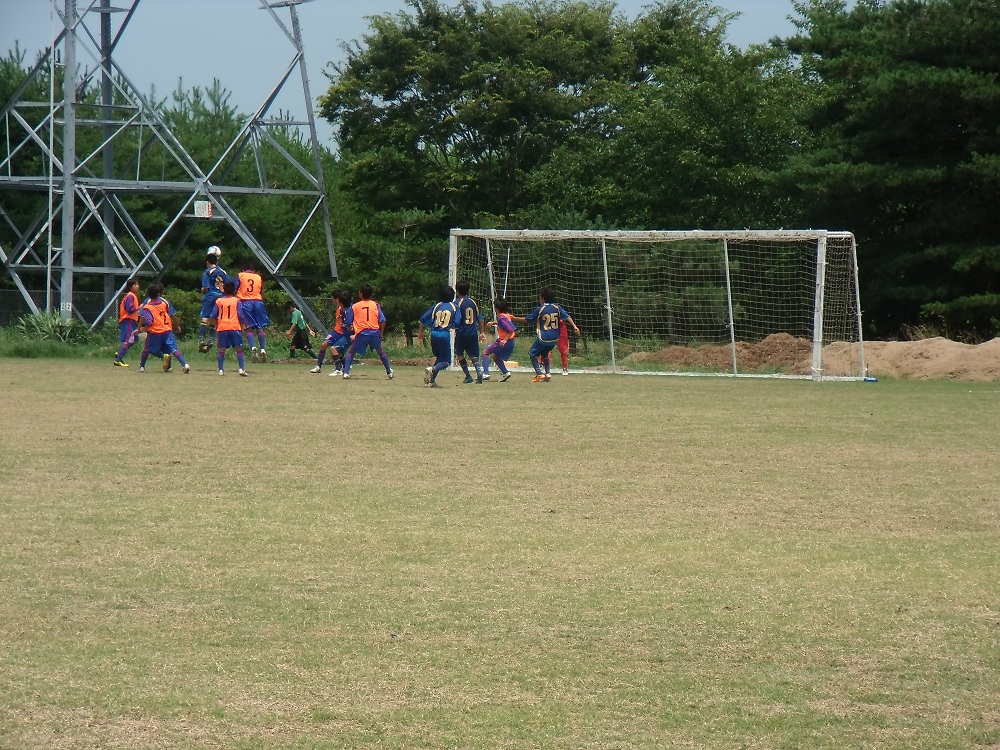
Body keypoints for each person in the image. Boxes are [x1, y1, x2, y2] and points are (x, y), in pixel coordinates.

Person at [516, 287, 580, 382]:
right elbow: (567, 317)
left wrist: (513, 318)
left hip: (544, 338)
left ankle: (539, 374)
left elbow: (527, 319)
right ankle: (548, 374)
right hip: (555, 339)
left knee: (532, 354)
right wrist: (575, 326)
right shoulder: (557, 307)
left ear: (543, 298)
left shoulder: (540, 309)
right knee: (545, 353)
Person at [341, 284, 394, 380]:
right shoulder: (375, 305)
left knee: (351, 352)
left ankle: (346, 373)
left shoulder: (355, 306)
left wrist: (351, 329)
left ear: (361, 294)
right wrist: (381, 333)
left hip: (361, 333)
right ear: (371, 294)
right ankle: (389, 372)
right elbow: (382, 320)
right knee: (380, 351)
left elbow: (348, 322)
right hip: (374, 332)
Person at [137, 283, 190, 374]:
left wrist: (142, 329)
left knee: (147, 348)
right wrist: (177, 325)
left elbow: (149, 321)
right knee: (173, 349)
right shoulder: (164, 303)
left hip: (155, 331)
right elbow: (171, 315)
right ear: (159, 294)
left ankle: (142, 367)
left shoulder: (147, 306)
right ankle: (185, 365)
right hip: (166, 330)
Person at [417, 285, 458, 388]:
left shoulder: (436, 306)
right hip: (444, 334)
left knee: (439, 358)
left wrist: (420, 332)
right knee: (446, 362)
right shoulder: (454, 307)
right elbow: (457, 322)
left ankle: (431, 381)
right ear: (453, 296)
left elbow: (422, 320)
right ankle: (433, 369)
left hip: (434, 333)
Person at [211, 280, 248, 376]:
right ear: (234, 290)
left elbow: (213, 315)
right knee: (239, 348)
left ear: (224, 290)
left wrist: (216, 325)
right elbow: (240, 315)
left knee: (221, 349)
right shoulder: (236, 301)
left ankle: (221, 370)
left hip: (222, 327)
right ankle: (241, 369)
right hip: (234, 326)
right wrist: (242, 327)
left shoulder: (219, 301)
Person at [310, 291, 352, 376]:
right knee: (324, 345)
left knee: (336, 351)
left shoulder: (346, 309)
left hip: (342, 333)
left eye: (332, 298)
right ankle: (318, 367)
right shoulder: (339, 309)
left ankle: (342, 367)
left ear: (337, 299)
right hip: (336, 331)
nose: (332, 300)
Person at [453, 279, 487, 383]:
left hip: (461, 333)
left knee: (459, 353)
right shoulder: (473, 302)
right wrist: (482, 332)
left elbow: (456, 319)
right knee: (473, 354)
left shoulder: (457, 303)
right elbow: (480, 317)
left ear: (457, 291)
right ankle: (478, 370)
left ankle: (468, 376)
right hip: (473, 332)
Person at [236, 263, 270, 362]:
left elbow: (234, 287)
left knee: (249, 328)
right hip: (258, 302)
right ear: (252, 270)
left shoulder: (240, 275)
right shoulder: (258, 277)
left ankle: (253, 347)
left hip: (245, 302)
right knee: (259, 327)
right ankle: (263, 349)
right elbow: (260, 290)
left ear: (243, 269)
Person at [198, 246, 228, 352]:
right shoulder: (223, 272)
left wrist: (202, 290)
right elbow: (229, 284)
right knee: (214, 319)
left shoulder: (207, 272)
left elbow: (206, 287)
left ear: (207, 262)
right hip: (221, 297)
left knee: (205, 317)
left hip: (210, 296)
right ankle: (211, 340)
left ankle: (201, 339)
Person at [482, 297, 517, 383]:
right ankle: (505, 373)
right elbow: (504, 324)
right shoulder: (506, 315)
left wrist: (505, 339)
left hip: (504, 341)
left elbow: (511, 329)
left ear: (497, 308)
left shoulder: (501, 317)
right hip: (511, 341)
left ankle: (486, 374)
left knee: (485, 352)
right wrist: (494, 322)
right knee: (496, 357)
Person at [112, 277, 141, 367]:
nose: (137, 286)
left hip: (131, 320)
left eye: (137, 284)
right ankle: (118, 359)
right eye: (135, 285)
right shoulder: (130, 296)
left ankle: (119, 353)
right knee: (129, 339)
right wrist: (139, 308)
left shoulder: (133, 296)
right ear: (130, 287)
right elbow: (130, 309)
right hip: (128, 320)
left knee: (134, 339)